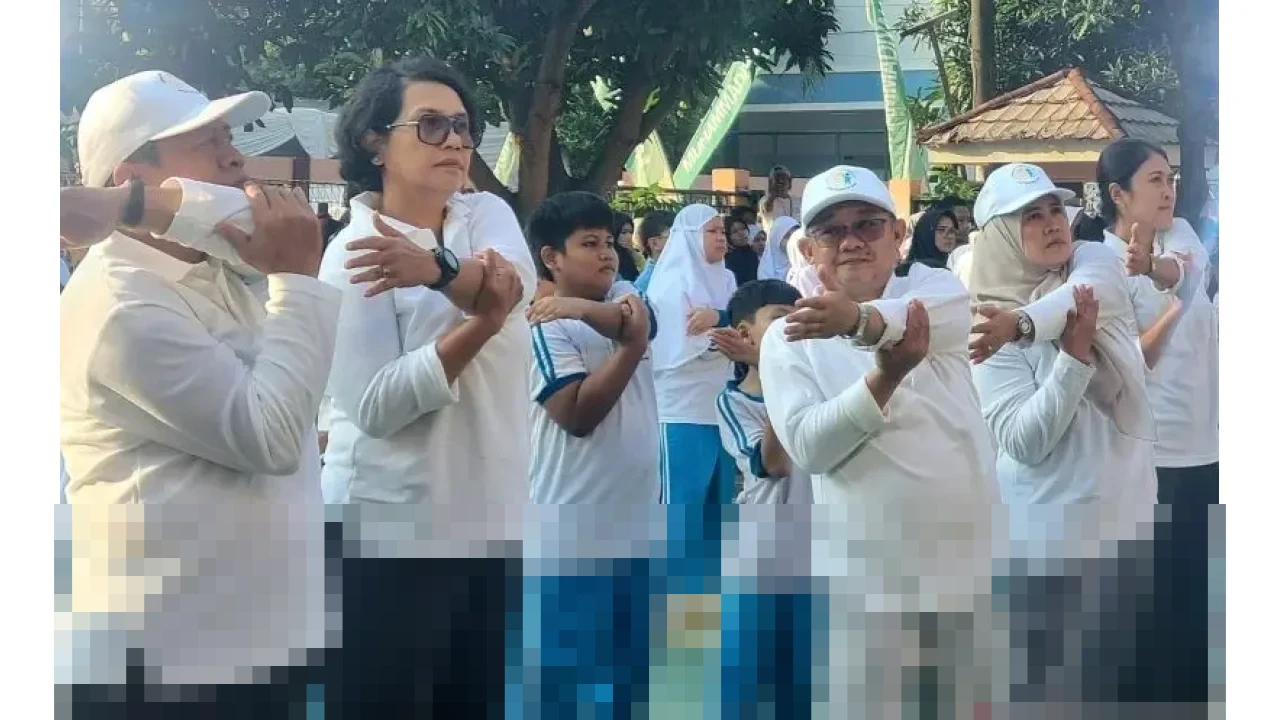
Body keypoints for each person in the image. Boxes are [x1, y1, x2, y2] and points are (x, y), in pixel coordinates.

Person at [58, 70, 336, 714]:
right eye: (205, 142)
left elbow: (257, 214)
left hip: (254, 645)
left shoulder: (217, 265)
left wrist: (138, 207)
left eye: (229, 136)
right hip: (173, 666)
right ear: (132, 174)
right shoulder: (121, 304)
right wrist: (296, 279)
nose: (235, 156)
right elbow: (269, 438)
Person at [317, 56, 533, 717]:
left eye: (464, 127)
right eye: (432, 126)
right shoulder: (354, 250)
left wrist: (435, 270)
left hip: (489, 523)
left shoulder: (486, 213)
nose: (458, 143)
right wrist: (479, 320)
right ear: (374, 141)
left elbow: (514, 290)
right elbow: (376, 405)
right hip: (391, 536)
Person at [758, 165, 998, 718]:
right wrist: (884, 376)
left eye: (867, 225)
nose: (851, 242)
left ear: (897, 235)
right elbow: (810, 449)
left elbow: (912, 320)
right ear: (808, 249)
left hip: (967, 569)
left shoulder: (937, 292)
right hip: (867, 586)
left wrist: (857, 323)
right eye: (831, 231)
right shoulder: (786, 337)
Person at [967, 162, 1159, 709]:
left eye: (1055, 209)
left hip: (1124, 524)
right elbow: (1024, 443)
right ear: (1001, 234)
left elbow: (1086, 295)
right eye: (1031, 216)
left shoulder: (1091, 262)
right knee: (1053, 694)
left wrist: (1022, 325)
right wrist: (1071, 359)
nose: (1053, 224)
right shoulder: (983, 323)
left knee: (1113, 689)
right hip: (1049, 546)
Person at [520, 190, 660, 714]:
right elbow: (577, 415)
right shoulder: (541, 325)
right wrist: (629, 347)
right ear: (551, 257)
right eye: (589, 243)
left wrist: (581, 307)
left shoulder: (622, 290)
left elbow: (636, 319)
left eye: (610, 241)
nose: (607, 254)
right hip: (574, 520)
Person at [1091, 138, 1218, 702]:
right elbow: (1131, 359)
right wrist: (1162, 293)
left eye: (1170, 178)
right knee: (1151, 595)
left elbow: (1188, 272)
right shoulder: (1096, 261)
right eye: (1154, 181)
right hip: (1150, 450)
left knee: (1197, 589)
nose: (1168, 191)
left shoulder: (1181, 232)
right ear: (1118, 195)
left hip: (1204, 443)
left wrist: (1156, 269)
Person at [647, 204, 738, 505]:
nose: (721, 238)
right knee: (682, 502)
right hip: (682, 408)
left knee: (720, 501)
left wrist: (719, 318)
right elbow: (687, 343)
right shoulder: (670, 284)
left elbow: (744, 326)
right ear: (688, 237)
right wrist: (724, 330)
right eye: (711, 231)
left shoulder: (727, 280)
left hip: (721, 406)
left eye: (722, 231)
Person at [756, 216, 798, 282]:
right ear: (776, 239)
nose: (792, 240)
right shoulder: (765, 271)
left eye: (795, 235)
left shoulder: (801, 261)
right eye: (787, 236)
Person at [724, 212, 760, 287]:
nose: (741, 233)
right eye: (735, 231)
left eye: (743, 228)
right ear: (728, 236)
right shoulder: (729, 257)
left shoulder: (752, 252)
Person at [760, 165, 795, 235]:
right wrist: (773, 195)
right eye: (777, 179)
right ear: (771, 183)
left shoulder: (796, 201)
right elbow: (767, 208)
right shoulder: (765, 199)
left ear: (789, 182)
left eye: (783, 179)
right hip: (772, 240)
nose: (780, 182)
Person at [612, 210, 643, 281]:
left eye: (631, 232)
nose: (629, 236)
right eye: (624, 232)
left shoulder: (630, 255)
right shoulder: (610, 257)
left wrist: (633, 253)